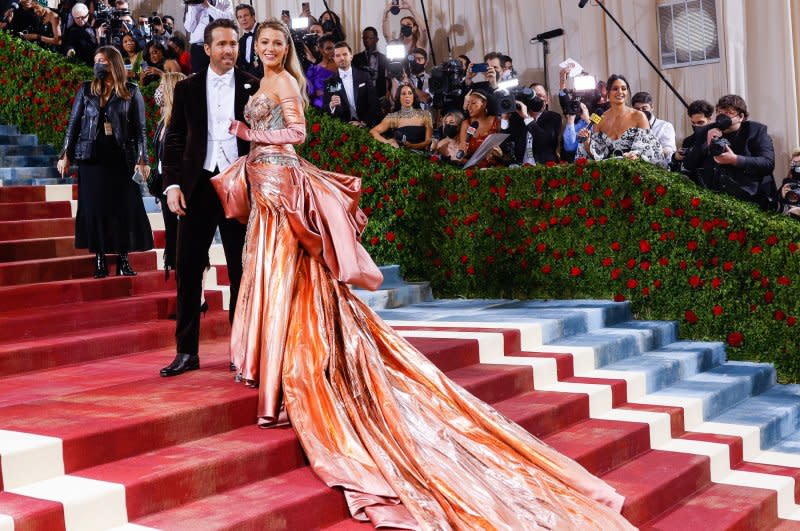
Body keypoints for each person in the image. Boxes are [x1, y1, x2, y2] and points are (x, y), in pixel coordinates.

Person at [221, 17, 634, 531]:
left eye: (279, 43)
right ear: (254, 46)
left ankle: (290, 364)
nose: (271, 49)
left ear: (288, 49)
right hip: (263, 187)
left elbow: (299, 134)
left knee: (287, 276)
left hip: (283, 183)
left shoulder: (284, 83)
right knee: (265, 272)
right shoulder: (258, 81)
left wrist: (249, 132)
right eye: (264, 43)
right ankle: (267, 359)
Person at [159, 18, 259, 378]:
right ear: (207, 49)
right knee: (187, 269)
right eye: (221, 44)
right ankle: (186, 352)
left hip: (239, 187)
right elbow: (174, 140)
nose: (229, 50)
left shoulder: (254, 86)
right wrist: (172, 186)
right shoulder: (187, 88)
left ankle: (240, 351)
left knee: (241, 272)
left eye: (233, 43)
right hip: (197, 186)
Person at [57, 45, 153, 279]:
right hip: (91, 158)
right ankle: (99, 259)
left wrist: (143, 158)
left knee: (122, 208)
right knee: (95, 208)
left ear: (114, 64)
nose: (99, 64)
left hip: (120, 157)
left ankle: (123, 259)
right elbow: (74, 124)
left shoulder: (131, 91)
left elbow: (140, 130)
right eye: (96, 60)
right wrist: (65, 154)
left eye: (103, 61)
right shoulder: (86, 90)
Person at [682, 94, 779, 211]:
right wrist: (704, 144)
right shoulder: (708, 130)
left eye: (728, 112)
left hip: (749, 200)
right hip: (714, 200)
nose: (722, 116)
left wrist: (735, 159)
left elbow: (767, 163)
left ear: (741, 116)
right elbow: (688, 164)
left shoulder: (756, 131)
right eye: (719, 112)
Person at [578, 74, 666, 167]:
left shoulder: (639, 116)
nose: (620, 92)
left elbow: (651, 151)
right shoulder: (600, 120)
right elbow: (596, 156)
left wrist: (636, 155)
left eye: (623, 88)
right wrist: (587, 142)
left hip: (636, 172)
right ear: (608, 92)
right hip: (609, 175)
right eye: (615, 89)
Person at [150, 72, 186, 276]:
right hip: (165, 187)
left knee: (186, 242)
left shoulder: (182, 123)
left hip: (179, 188)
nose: (159, 91)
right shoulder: (163, 121)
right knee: (172, 238)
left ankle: (196, 296)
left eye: (163, 86)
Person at [323, 41, 377, 128]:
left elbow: (373, 102)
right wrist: (331, 105)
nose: (342, 58)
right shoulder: (330, 81)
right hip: (343, 128)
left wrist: (363, 123)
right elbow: (325, 107)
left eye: (345, 54)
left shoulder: (364, 76)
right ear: (334, 59)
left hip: (367, 125)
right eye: (338, 55)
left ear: (351, 56)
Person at [369, 82, 432, 149]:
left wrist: (412, 146)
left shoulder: (425, 115)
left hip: (421, 156)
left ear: (413, 96)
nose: (407, 96)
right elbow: (373, 131)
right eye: (403, 94)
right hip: (400, 156)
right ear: (399, 97)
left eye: (410, 93)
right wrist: (387, 142)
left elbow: (427, 141)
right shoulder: (393, 117)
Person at [449, 89, 503, 167]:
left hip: (494, 168)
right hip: (473, 168)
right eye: (468, 104)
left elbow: (503, 147)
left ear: (484, 104)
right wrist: (459, 155)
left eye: (473, 103)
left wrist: (498, 153)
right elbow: (462, 150)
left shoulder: (496, 121)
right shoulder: (466, 124)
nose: (469, 107)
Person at [185, 0, 234, 74]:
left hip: (220, 46)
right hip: (199, 48)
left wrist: (208, 7)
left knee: (221, 76)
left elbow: (228, 20)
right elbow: (189, 27)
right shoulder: (194, 4)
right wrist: (193, 7)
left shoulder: (225, 1)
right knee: (199, 80)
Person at [670, 99, 713, 178]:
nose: (696, 126)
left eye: (700, 122)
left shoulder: (716, 138)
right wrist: (676, 157)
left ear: (709, 119)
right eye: (693, 123)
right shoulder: (688, 141)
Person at [631, 91, 676, 159]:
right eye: (637, 109)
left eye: (644, 108)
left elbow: (669, 150)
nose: (641, 112)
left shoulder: (665, 126)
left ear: (652, 108)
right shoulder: (630, 127)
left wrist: (645, 155)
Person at [352, 26, 390, 99]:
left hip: (381, 95)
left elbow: (388, 79)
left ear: (376, 39)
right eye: (365, 38)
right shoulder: (356, 58)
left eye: (370, 38)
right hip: (362, 96)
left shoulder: (384, 58)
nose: (367, 40)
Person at [305, 34, 337, 109]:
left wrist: (324, 92)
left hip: (341, 107)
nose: (332, 51)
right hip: (320, 109)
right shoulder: (313, 69)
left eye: (334, 48)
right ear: (321, 50)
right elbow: (310, 92)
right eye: (328, 48)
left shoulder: (342, 67)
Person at [235, 3, 260, 78]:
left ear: (253, 16)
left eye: (246, 15)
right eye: (240, 17)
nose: (243, 19)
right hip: (248, 81)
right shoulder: (241, 41)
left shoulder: (264, 31)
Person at [781, 149, 800, 218]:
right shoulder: (787, 183)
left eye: (798, 163)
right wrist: (783, 197)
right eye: (793, 163)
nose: (796, 167)